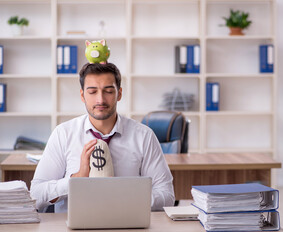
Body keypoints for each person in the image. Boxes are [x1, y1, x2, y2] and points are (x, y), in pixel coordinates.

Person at [30, 63, 175, 213]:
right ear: (82, 95)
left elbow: (167, 196)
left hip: (126, 224)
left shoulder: (144, 136)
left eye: (108, 91)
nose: (100, 100)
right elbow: (36, 195)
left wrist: (125, 195)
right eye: (92, 92)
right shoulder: (63, 134)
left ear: (119, 94)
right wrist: (75, 180)